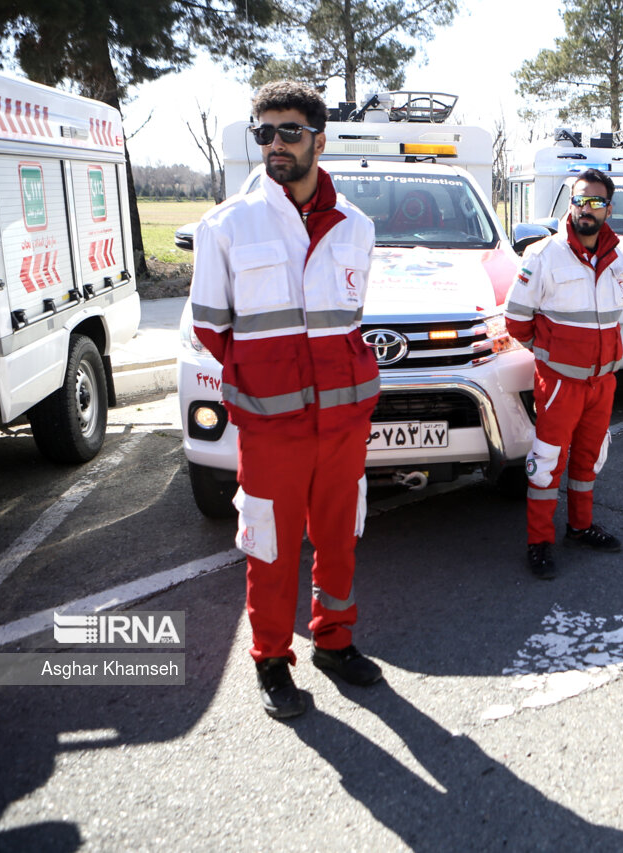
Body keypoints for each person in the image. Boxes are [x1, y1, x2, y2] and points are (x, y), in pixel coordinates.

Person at [190, 81, 383, 719]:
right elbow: (212, 330)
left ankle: (335, 641)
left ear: (319, 141)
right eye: (263, 133)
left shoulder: (358, 226)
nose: (274, 144)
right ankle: (272, 660)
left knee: (339, 535)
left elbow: (348, 319)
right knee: (270, 544)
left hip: (344, 421)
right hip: (272, 427)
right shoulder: (226, 225)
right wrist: (270, 382)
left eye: (288, 132)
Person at [504, 168, 623, 579]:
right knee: (546, 464)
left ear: (608, 208)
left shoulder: (620, 259)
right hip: (559, 382)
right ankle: (539, 542)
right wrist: (549, 355)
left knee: (589, 459)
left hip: (602, 383)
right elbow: (517, 319)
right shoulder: (542, 255)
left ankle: (579, 527)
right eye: (580, 200)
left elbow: (615, 318)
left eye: (595, 201)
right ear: (570, 204)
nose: (586, 209)